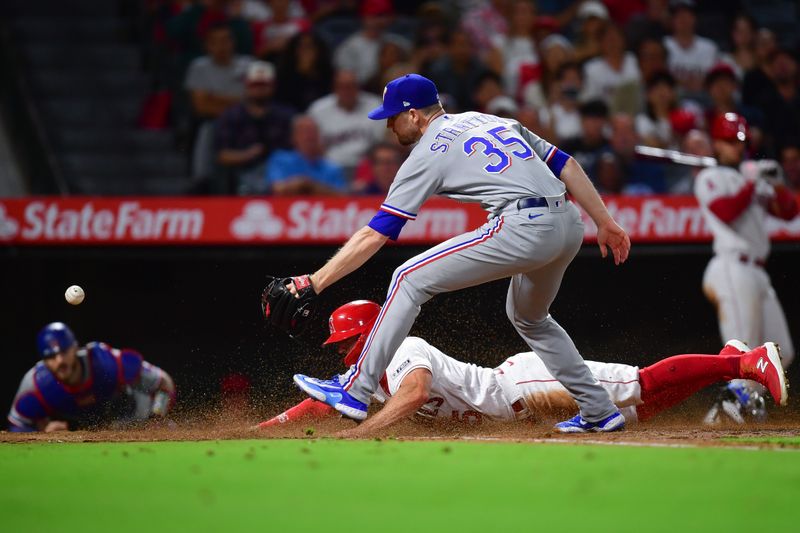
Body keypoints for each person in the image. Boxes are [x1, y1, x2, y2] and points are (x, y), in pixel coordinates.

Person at [285, 73, 632, 433]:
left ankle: (355, 390)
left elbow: (376, 234)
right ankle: (598, 409)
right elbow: (565, 164)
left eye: (393, 116)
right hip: (569, 224)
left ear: (415, 115)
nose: (388, 125)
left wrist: (314, 282)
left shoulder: (428, 152)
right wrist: (604, 222)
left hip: (524, 224)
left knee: (407, 278)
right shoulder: (489, 119)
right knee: (529, 318)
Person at [258, 301, 788, 434]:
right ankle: (723, 365)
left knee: (637, 384)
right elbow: (321, 402)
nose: (342, 355)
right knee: (638, 413)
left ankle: (746, 360)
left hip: (523, 386)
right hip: (521, 415)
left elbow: (416, 394)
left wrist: (364, 433)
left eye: (346, 344)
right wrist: (265, 430)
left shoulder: (400, 348)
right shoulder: (369, 375)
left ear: (366, 336)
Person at [694, 112, 798, 423]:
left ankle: (736, 403)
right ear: (717, 144)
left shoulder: (751, 176)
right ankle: (730, 408)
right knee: (743, 348)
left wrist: (777, 184)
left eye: (739, 142)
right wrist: (752, 184)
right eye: (728, 141)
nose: (735, 147)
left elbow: (789, 212)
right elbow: (725, 211)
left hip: (757, 271)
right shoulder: (709, 177)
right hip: (730, 265)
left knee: (783, 351)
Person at [7, 323, 176, 432]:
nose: (60, 361)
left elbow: (163, 383)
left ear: (75, 348)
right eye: (51, 357)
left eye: (64, 352)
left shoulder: (105, 362)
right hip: (79, 440)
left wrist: (157, 418)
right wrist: (42, 432)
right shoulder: (37, 383)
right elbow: (18, 426)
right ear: (43, 360)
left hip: (135, 425)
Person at [215, 61, 296, 193]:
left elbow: (298, 151)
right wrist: (248, 154)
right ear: (247, 85)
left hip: (283, 176)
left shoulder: (287, 115)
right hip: (242, 172)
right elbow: (223, 155)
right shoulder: (231, 116)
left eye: (264, 85)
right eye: (255, 84)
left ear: (273, 86)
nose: (259, 89)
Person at [307, 70, 385, 178]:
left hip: (367, 167)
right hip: (330, 168)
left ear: (359, 88)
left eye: (351, 86)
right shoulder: (318, 110)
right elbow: (311, 143)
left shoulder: (375, 105)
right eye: (342, 87)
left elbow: (382, 142)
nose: (347, 91)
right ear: (334, 88)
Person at [264, 115, 347, 195]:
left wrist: (311, 186)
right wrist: (300, 184)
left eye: (314, 131)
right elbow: (277, 189)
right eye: (305, 131)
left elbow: (341, 197)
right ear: (293, 137)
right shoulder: (280, 159)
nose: (310, 136)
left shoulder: (331, 168)